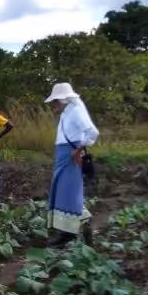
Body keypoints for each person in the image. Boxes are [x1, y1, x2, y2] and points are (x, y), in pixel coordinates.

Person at [44, 83, 99, 247]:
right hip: (64, 155)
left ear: (63, 100)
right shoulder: (67, 112)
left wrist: (79, 149)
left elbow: (92, 132)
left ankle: (69, 233)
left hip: (70, 156)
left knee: (69, 192)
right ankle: (75, 227)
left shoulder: (75, 112)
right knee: (64, 192)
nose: (53, 105)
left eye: (55, 102)